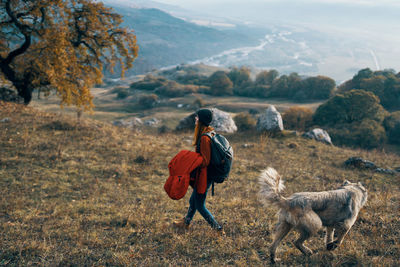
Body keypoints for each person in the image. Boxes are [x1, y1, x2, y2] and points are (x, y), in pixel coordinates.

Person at [173, 108, 225, 234]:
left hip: (205, 175)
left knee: (200, 204)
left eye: (197, 117)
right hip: (206, 174)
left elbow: (205, 161)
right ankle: (185, 223)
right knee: (193, 200)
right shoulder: (210, 133)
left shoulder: (204, 138)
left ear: (201, 120)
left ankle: (218, 229)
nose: (195, 119)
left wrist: (189, 159)